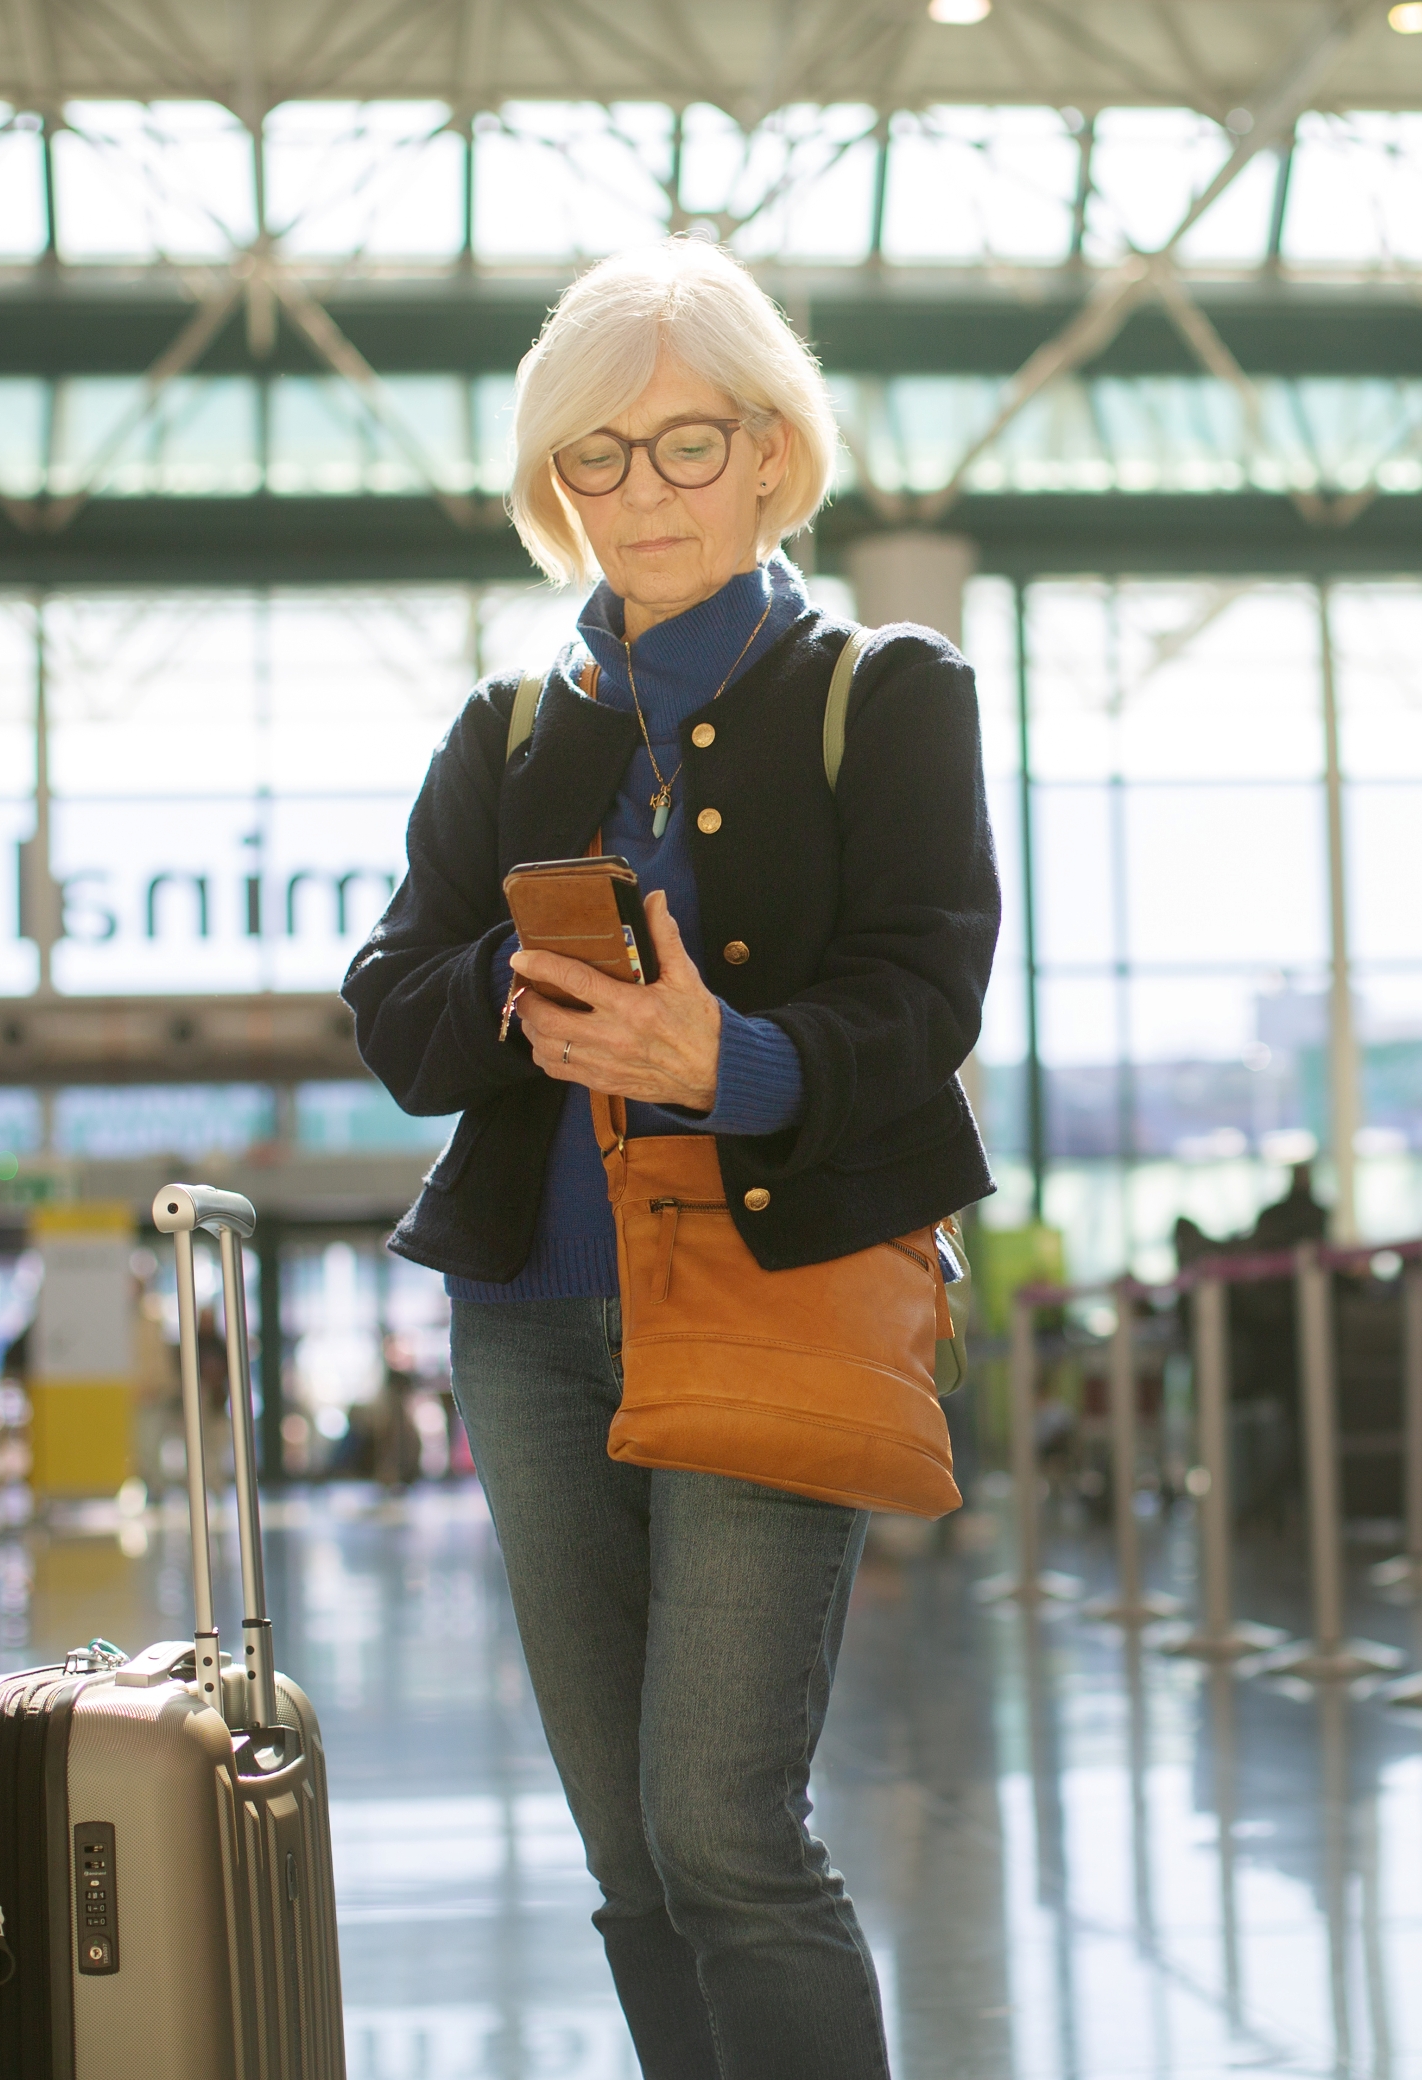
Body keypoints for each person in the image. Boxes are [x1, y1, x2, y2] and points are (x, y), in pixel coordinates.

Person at [342, 234, 996, 2080]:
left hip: (772, 1303)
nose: (643, 493)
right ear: (557, 490)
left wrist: (735, 1055)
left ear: (773, 453)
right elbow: (396, 1012)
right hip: (532, 1325)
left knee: (724, 1834)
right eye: (597, 460)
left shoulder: (887, 690)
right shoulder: (511, 731)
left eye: (686, 444)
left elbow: (926, 993)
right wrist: (524, 974)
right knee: (631, 1859)